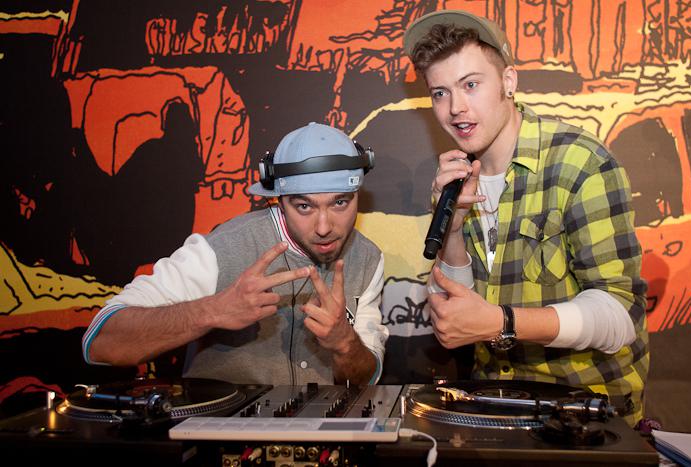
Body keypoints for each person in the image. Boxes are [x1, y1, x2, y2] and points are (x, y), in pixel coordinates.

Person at [403, 10, 649, 426]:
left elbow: (618, 316)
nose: (456, 108)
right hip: (493, 405)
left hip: (587, 414)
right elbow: (461, 312)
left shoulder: (580, 162)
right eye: (440, 93)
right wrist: (454, 229)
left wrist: (503, 322)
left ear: (508, 82)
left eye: (470, 85)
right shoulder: (456, 177)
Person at [82, 122, 388, 386]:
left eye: (340, 203)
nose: (324, 227)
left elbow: (365, 377)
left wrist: (344, 343)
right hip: (220, 432)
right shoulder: (220, 250)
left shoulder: (368, 259)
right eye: (304, 206)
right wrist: (214, 310)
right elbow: (100, 343)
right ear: (279, 201)